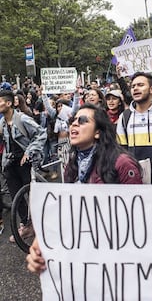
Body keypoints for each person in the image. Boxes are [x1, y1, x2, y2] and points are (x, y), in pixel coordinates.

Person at [26, 103, 143, 274]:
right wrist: (42, 244)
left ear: (98, 132)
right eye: (73, 120)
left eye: (82, 121)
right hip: (84, 257)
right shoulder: (72, 167)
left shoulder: (122, 163)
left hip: (115, 259)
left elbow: (138, 217)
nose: (73, 124)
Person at [0, 90, 47, 242]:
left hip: (25, 163)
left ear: (8, 103)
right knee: (16, 198)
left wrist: (29, 151)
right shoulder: (1, 123)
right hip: (11, 163)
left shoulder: (22, 119)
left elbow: (41, 134)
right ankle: (27, 225)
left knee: (34, 195)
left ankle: (42, 225)